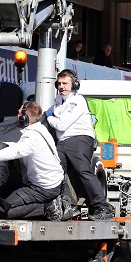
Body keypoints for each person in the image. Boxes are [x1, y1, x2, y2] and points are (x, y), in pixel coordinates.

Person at [46, 69, 113, 220]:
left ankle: (102, 207)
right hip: (63, 141)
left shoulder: (78, 100)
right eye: (59, 83)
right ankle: (70, 205)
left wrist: (49, 116)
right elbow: (50, 113)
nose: (61, 86)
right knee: (57, 173)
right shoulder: (58, 101)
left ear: (74, 84)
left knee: (83, 171)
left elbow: (61, 124)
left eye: (65, 83)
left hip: (79, 138)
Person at [0, 101, 68, 221]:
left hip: (43, 189)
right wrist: (1, 144)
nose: (17, 116)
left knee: (4, 209)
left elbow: (17, 150)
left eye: (19, 113)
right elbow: (20, 146)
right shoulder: (40, 129)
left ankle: (47, 207)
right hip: (54, 184)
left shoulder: (31, 137)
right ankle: (49, 204)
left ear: (24, 118)